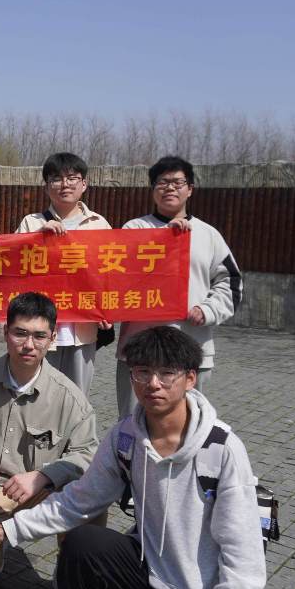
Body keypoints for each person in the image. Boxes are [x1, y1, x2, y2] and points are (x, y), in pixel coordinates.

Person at [0, 326, 266, 589]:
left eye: (167, 373)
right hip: (149, 563)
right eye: (143, 372)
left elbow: (243, 558)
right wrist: (8, 530)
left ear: (190, 379)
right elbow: (79, 500)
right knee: (81, 543)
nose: (153, 383)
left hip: (199, 586)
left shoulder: (221, 450)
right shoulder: (125, 436)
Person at [0, 292, 99, 578]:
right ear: (5, 333)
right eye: (20, 333)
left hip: (39, 492)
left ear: (52, 338)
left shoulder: (69, 398)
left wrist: (44, 475)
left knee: (93, 497)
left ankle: (72, 571)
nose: (29, 345)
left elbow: (88, 454)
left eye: (39, 336)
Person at [115, 155, 243, 418]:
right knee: (133, 425)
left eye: (177, 182)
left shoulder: (208, 234)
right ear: (153, 189)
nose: (170, 188)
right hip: (139, 352)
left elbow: (230, 283)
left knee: (187, 426)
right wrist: (164, 239)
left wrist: (207, 310)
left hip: (192, 347)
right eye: (162, 182)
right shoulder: (134, 229)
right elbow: (116, 277)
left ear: (190, 189)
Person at [15, 152, 111, 396]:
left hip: (84, 331)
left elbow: (111, 275)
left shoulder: (99, 224)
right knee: (36, 396)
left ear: (84, 184)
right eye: (56, 179)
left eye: (72, 178)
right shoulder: (31, 223)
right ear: (47, 186)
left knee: (77, 398)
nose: (65, 184)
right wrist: (37, 238)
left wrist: (110, 310)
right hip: (39, 331)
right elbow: (12, 266)